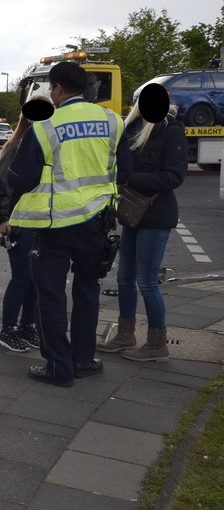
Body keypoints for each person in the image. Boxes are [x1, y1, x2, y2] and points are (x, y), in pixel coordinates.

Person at [8, 62, 132, 387]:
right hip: (97, 223)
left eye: (51, 88)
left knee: (51, 295)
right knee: (88, 289)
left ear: (59, 89)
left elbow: (20, 177)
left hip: (57, 224)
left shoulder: (45, 125)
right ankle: (83, 360)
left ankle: (59, 367)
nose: (51, 93)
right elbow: (127, 173)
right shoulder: (113, 122)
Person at [97, 102, 187, 362]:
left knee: (146, 281)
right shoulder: (134, 127)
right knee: (124, 278)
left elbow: (174, 176)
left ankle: (157, 344)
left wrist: (130, 178)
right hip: (132, 214)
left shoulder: (171, 131)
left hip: (156, 215)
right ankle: (125, 336)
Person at [0, 114, 39, 352]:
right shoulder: (18, 146)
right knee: (23, 277)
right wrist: (2, 218)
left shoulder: (41, 141)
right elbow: (3, 183)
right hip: (19, 220)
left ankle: (27, 325)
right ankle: (8, 330)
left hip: (39, 219)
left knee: (35, 278)